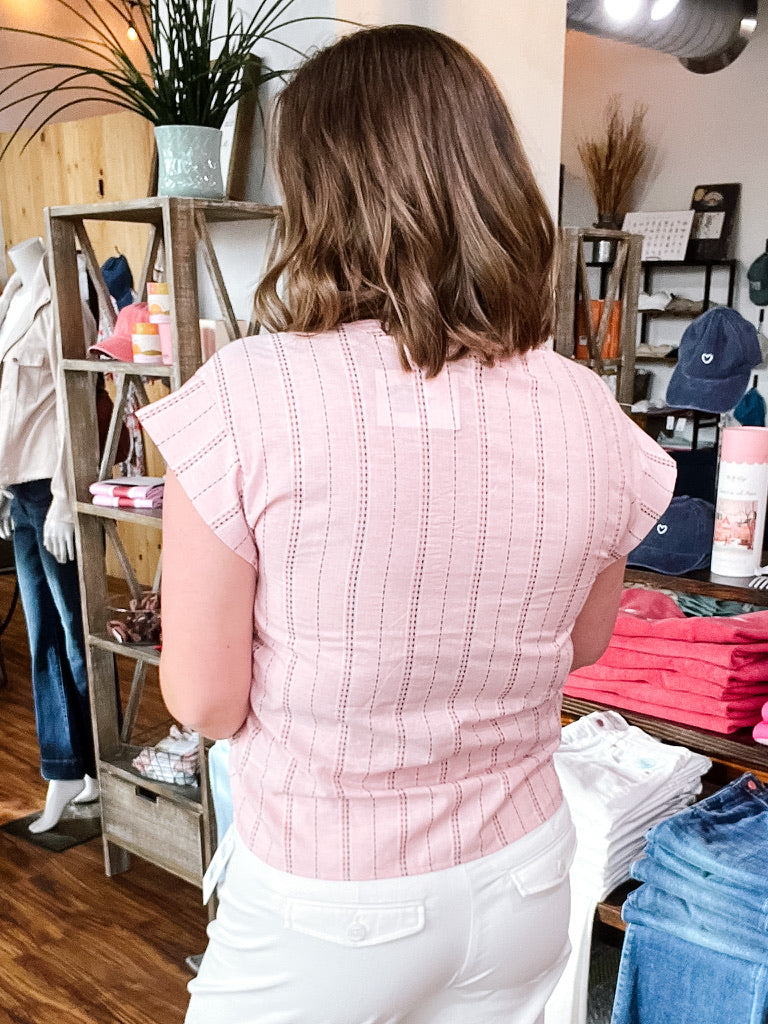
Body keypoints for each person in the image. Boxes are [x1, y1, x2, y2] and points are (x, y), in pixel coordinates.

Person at [137, 25, 676, 1024]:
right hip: (522, 876)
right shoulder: (586, 407)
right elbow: (585, 642)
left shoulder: (252, 394)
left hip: (330, 892)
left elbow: (205, 701)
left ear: (319, 192)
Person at [0, 236, 99, 832]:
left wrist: (65, 498)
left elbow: (75, 402)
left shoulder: (61, 301)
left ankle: (101, 768)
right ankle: (66, 766)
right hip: (19, 492)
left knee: (77, 633)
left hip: (49, 490)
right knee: (43, 637)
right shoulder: (12, 298)